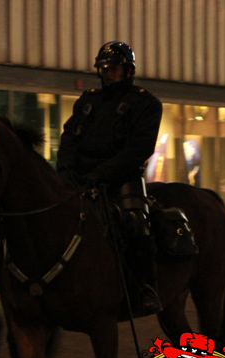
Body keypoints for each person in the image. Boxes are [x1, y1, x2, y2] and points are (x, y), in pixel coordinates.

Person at [56, 40, 163, 314]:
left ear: (128, 71)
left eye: (113, 68)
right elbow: (69, 137)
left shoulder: (146, 103)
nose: (108, 74)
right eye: (104, 69)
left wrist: (101, 173)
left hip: (122, 178)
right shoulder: (88, 101)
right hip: (81, 177)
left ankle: (146, 286)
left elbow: (138, 149)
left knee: (136, 221)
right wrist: (65, 169)